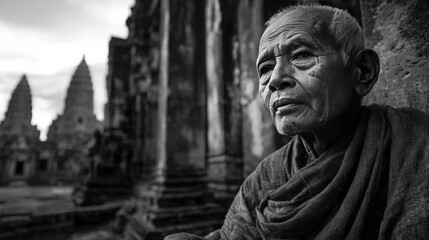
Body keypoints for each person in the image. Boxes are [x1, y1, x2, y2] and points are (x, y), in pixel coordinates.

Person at [166, 4, 429, 240]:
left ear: (363, 72)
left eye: (302, 55)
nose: (276, 79)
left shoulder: (412, 144)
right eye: (265, 68)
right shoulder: (268, 175)